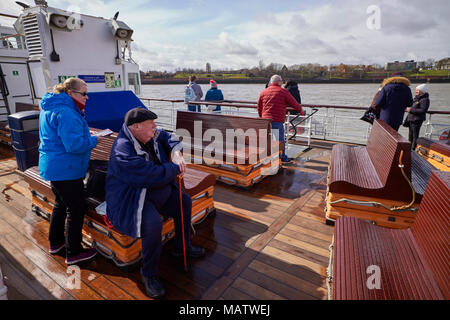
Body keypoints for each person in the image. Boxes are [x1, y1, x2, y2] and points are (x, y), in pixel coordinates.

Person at [105, 108, 205, 298]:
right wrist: (174, 168)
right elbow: (150, 175)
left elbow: (169, 136)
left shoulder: (149, 135)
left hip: (155, 191)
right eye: (151, 125)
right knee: (152, 223)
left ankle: (182, 247)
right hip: (132, 198)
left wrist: (177, 153)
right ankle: (148, 274)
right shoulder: (122, 151)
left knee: (183, 201)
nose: (155, 128)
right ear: (136, 127)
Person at [38, 77, 99, 265]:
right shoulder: (68, 113)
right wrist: (94, 139)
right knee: (76, 208)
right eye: (84, 93)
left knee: (60, 204)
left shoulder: (50, 107)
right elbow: (75, 146)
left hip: (54, 166)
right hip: (67, 170)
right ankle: (74, 253)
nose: (87, 97)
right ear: (71, 93)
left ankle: (55, 243)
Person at [257, 75, 303, 163]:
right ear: (278, 82)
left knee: (267, 140)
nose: (282, 83)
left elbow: (259, 107)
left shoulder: (263, 92)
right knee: (280, 141)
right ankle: (282, 158)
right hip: (277, 120)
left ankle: (267, 157)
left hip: (265, 121)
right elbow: (294, 104)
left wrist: (261, 118)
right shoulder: (283, 92)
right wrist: (300, 109)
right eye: (281, 81)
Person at [404, 84, 430, 150]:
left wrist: (410, 109)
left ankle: (413, 150)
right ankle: (408, 149)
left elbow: (423, 110)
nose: (416, 91)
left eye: (418, 90)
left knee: (415, 136)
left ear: (422, 91)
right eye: (416, 90)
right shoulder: (417, 98)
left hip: (417, 120)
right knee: (410, 136)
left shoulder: (425, 99)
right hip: (411, 119)